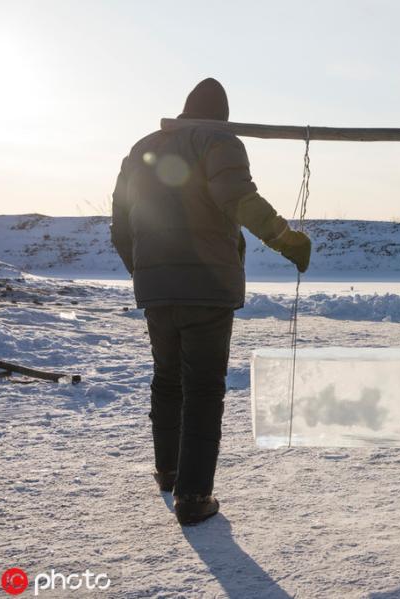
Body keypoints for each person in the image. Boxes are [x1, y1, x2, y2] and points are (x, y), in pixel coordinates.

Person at [111, 78, 311, 525]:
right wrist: (288, 240)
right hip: (206, 287)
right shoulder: (219, 140)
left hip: (157, 289)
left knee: (167, 379)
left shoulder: (143, 146)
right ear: (221, 115)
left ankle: (169, 471)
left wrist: (146, 271)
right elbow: (239, 199)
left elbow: (120, 223)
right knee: (202, 388)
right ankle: (194, 496)